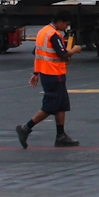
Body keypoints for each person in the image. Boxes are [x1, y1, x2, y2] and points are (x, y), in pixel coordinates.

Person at [17, 14, 78, 148]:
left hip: (52, 73)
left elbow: (38, 54)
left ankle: (61, 136)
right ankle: (25, 128)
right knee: (50, 106)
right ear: (59, 21)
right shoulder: (53, 35)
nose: (66, 27)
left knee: (62, 105)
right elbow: (63, 54)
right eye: (65, 24)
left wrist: (36, 72)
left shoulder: (42, 32)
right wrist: (74, 50)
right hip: (52, 74)